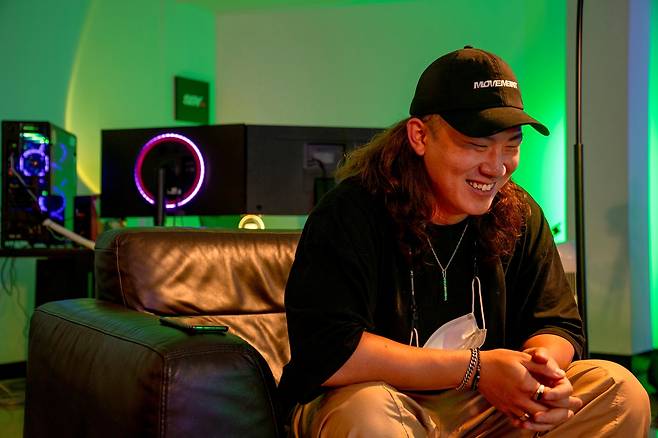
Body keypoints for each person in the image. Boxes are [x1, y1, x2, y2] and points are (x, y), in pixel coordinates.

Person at [278, 46, 650, 437]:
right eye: (477, 145)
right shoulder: (352, 211)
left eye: (512, 145)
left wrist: (540, 375)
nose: (496, 166)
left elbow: (556, 322)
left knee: (619, 391)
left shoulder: (518, 213)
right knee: (368, 414)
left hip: (483, 406)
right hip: (372, 399)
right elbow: (330, 351)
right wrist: (477, 369)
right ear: (420, 136)